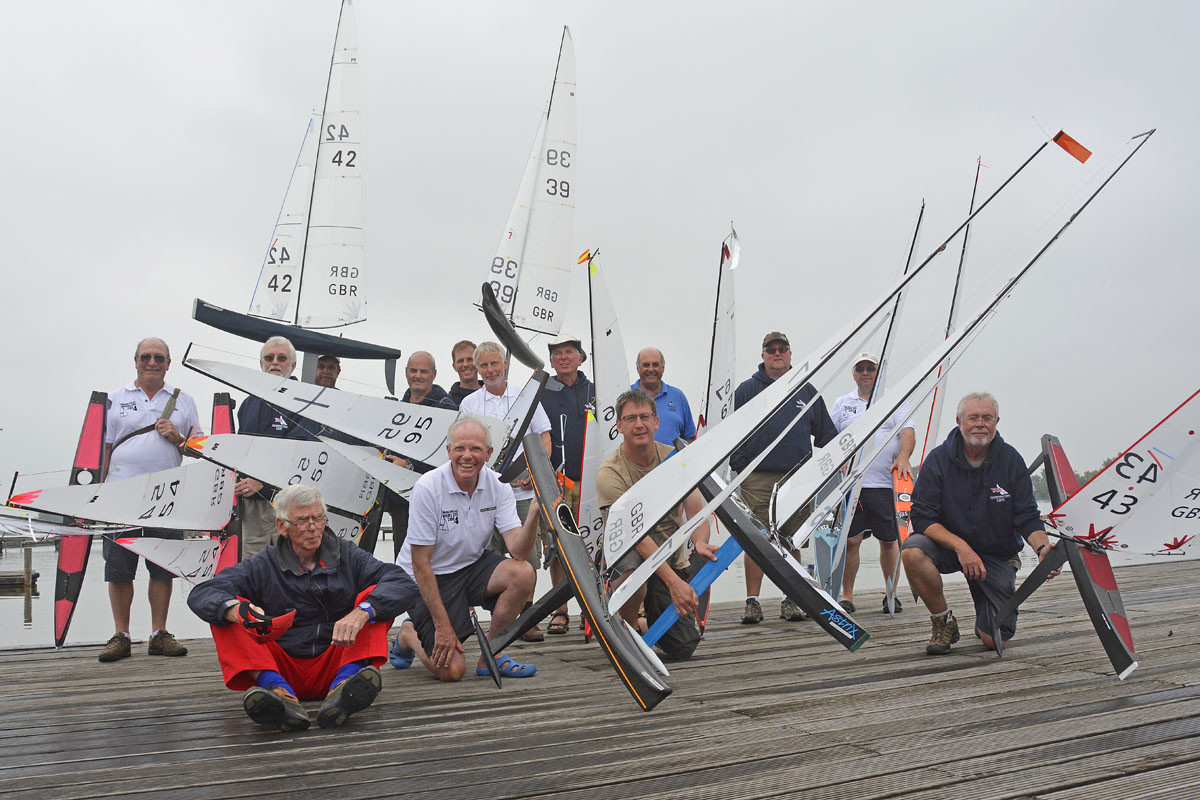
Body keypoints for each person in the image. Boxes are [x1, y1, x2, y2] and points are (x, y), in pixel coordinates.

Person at [187, 484, 417, 730]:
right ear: (281, 526)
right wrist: (237, 610)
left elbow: (401, 581)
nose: (313, 526)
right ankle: (280, 695)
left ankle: (343, 690)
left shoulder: (347, 554)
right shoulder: (263, 564)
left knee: (375, 599)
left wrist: (363, 612)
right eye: (302, 520)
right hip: (281, 669)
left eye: (318, 517)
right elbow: (202, 593)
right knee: (227, 610)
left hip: (338, 663)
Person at [901, 392, 1059, 655]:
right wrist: (962, 547)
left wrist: (1043, 550)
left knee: (993, 640)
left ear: (997, 421)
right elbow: (922, 517)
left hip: (996, 553)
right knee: (912, 551)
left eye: (987, 418)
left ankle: (984, 614)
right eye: (972, 418)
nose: (980, 424)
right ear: (959, 421)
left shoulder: (1011, 460)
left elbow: (1027, 515)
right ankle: (943, 622)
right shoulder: (938, 460)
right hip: (951, 548)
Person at [389, 417, 542, 681]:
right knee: (452, 671)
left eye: (475, 449)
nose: (467, 456)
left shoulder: (499, 485)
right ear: (448, 451)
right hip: (425, 578)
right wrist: (443, 628)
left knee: (524, 573)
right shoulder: (427, 487)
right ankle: (409, 635)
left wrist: (535, 513)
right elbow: (420, 564)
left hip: (468, 566)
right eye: (460, 448)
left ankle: (492, 653)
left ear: (489, 454)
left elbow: (517, 551)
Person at [97, 337, 202, 663]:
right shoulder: (115, 399)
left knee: (162, 568)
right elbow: (104, 449)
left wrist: (177, 437)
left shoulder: (183, 401)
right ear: (136, 360)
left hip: (165, 498)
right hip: (120, 498)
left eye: (159, 357)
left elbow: (199, 447)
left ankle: (159, 633)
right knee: (118, 569)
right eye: (146, 357)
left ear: (168, 363)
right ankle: (121, 635)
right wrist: (96, 494)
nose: (152, 362)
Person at [597, 389, 717, 661]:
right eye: (630, 419)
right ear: (619, 425)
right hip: (626, 551)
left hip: (668, 554)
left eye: (645, 417)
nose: (638, 424)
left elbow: (697, 510)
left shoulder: (675, 458)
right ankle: (626, 635)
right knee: (633, 576)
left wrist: (699, 541)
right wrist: (674, 583)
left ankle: (643, 621)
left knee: (683, 647)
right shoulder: (610, 472)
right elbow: (636, 536)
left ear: (656, 422)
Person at [730, 331, 837, 624]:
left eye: (782, 349)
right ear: (763, 355)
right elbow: (730, 433)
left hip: (797, 479)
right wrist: (740, 467)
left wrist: (840, 462)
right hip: (757, 480)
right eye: (771, 349)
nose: (777, 353)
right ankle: (752, 602)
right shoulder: (746, 390)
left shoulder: (807, 390)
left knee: (790, 541)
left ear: (790, 354)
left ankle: (792, 599)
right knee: (757, 541)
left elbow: (828, 436)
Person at [457, 342, 552, 641]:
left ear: (505, 364)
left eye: (494, 364)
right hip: (484, 495)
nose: (490, 370)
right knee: (484, 554)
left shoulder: (527, 397)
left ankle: (527, 617)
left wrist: (533, 475)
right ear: (477, 369)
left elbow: (544, 440)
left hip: (522, 492)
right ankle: (496, 619)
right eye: (484, 366)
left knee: (528, 557)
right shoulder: (470, 404)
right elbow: (462, 449)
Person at [829, 352, 915, 614]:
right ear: (854, 374)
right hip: (852, 485)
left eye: (871, 368)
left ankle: (891, 594)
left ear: (879, 372)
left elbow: (908, 432)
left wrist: (903, 457)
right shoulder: (842, 403)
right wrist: (836, 462)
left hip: (885, 485)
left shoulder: (894, 399)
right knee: (851, 541)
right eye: (861, 369)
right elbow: (829, 438)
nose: (866, 373)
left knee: (889, 541)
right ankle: (847, 596)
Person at [235, 336, 316, 559]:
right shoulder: (248, 403)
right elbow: (241, 450)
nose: (274, 363)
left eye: (282, 358)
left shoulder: (304, 402)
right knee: (252, 568)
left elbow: (301, 452)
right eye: (269, 358)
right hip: (251, 506)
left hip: (288, 503)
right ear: (261, 364)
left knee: (291, 566)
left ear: (293, 365)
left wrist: (263, 483)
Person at [538, 333, 594, 635]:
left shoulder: (595, 392)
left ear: (580, 357)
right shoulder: (541, 391)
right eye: (557, 353)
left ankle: (593, 608)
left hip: (594, 482)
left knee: (593, 546)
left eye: (569, 352)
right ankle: (560, 610)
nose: (563, 357)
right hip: (559, 482)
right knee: (558, 547)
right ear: (551, 361)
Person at [386, 351, 460, 560]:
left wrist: (409, 466)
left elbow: (450, 459)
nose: (418, 375)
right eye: (413, 371)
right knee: (403, 562)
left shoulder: (446, 408)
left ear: (434, 374)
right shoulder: (396, 407)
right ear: (406, 373)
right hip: (401, 502)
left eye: (424, 371)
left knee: (435, 562)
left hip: (435, 502)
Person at [631, 347, 697, 445]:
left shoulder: (678, 396)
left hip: (675, 460)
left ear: (663, 368)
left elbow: (691, 438)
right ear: (637, 368)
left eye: (655, 365)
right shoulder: (627, 396)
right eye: (646, 365)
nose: (651, 369)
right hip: (634, 460)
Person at [448, 340, 483, 406]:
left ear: (478, 362)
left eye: (470, 359)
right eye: (460, 361)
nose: (465, 364)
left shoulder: (494, 395)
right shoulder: (448, 404)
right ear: (454, 366)